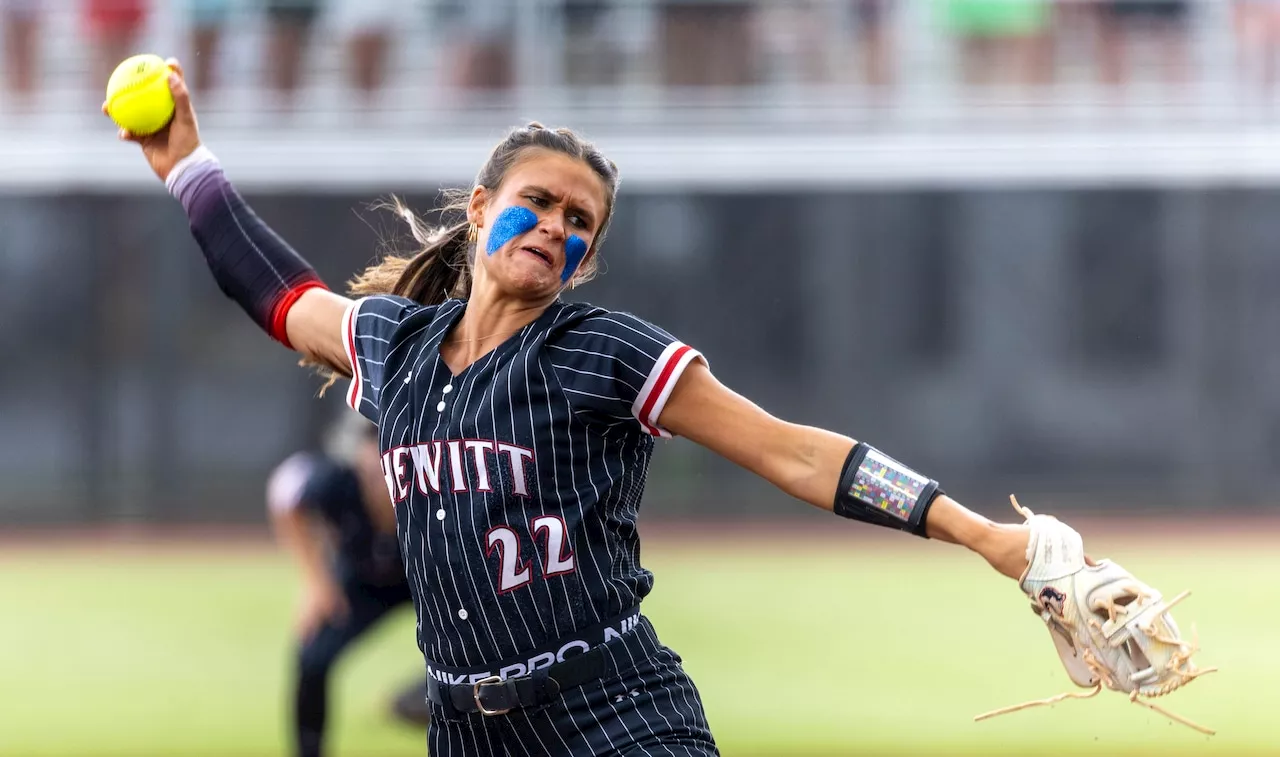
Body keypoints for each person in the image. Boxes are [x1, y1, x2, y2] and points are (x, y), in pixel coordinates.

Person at [110, 60, 1079, 755]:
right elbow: (273, 293)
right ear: (483, 207)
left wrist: (983, 536)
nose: (558, 227)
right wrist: (186, 167)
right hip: (465, 730)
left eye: (581, 223)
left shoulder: (601, 352)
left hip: (613, 715)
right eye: (539, 202)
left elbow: (792, 454)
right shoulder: (393, 348)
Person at [266, 411, 429, 757]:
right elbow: (286, 496)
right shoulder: (336, 478)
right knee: (312, 656)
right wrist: (316, 582)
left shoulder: (429, 480)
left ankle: (422, 700)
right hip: (363, 581)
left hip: (425, 580)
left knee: (476, 647)